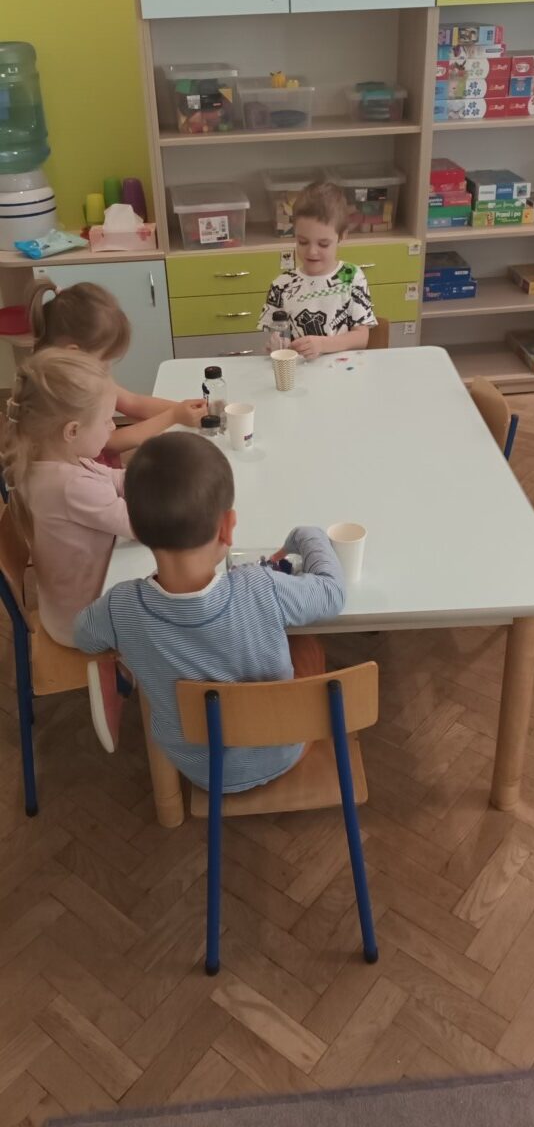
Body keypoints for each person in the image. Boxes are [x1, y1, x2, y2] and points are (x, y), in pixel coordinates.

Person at [74, 432, 346, 789]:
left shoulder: (121, 605)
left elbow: (83, 636)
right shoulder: (261, 587)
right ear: (227, 527)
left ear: (135, 529)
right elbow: (332, 592)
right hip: (283, 751)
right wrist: (306, 535)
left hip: (197, 767)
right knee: (308, 645)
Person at [1, 348, 136, 744]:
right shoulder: (70, 485)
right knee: (168, 607)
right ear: (72, 431)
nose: (113, 426)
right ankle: (116, 669)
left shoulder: (56, 460)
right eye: (107, 419)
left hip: (63, 605)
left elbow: (114, 481)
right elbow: (139, 525)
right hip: (84, 622)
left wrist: (148, 475)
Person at [27, 278, 205, 461]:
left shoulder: (82, 372)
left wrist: (192, 411)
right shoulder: (59, 392)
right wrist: (174, 416)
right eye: (104, 360)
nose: (107, 369)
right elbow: (109, 443)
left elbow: (133, 402)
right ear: (74, 353)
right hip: (88, 472)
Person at [258, 182, 377, 360]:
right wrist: (275, 345)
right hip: (298, 371)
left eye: (323, 244)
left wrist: (322, 344)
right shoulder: (282, 285)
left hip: (342, 369)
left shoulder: (351, 276)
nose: (312, 251)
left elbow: (361, 338)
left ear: (342, 236)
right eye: (303, 242)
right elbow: (277, 337)